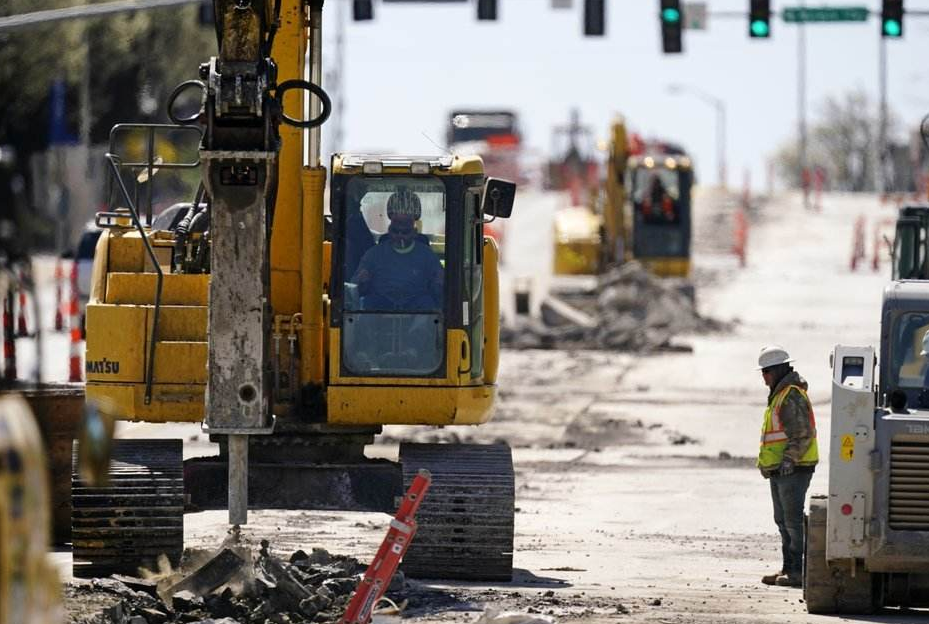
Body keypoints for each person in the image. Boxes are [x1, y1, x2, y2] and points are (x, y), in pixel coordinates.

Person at [756, 345, 819, 588]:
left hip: (794, 469)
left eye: (767, 371)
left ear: (779, 370)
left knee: (792, 521)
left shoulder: (790, 395)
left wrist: (788, 461)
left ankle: (797, 573)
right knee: (782, 520)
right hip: (781, 470)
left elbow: (802, 434)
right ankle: (788, 568)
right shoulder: (780, 394)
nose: (764, 377)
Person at [351, 190, 443, 311]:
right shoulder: (373, 255)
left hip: (419, 316)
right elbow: (354, 288)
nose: (400, 236)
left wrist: (439, 282)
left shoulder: (428, 256)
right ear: (389, 230)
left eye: (405, 232)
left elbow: (440, 289)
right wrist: (362, 282)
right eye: (395, 230)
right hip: (379, 314)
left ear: (414, 232)